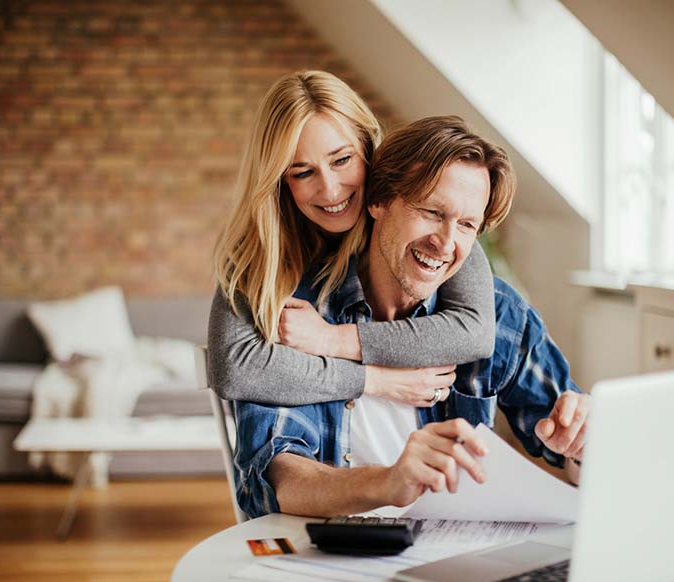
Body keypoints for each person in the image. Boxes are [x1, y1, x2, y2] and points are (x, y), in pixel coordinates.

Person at [232, 116, 589, 518]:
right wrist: (387, 482)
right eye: (432, 212)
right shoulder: (299, 316)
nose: (446, 243)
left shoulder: (499, 313)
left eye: (467, 225)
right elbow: (277, 479)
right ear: (378, 201)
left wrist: (582, 444)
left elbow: (572, 453)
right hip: (332, 555)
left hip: (456, 555)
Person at [209, 71, 507, 410]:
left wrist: (332, 340)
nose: (331, 190)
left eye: (342, 160)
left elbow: (473, 332)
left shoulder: (416, 216)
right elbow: (235, 368)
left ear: (367, 147)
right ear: (280, 181)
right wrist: (377, 380)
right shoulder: (259, 250)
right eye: (304, 172)